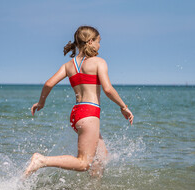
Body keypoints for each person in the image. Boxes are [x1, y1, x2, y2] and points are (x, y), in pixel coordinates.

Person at [23, 26, 133, 178]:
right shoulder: (98, 62)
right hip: (89, 114)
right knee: (83, 163)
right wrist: (123, 107)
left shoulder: (69, 66)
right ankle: (42, 160)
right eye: (98, 41)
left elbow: (48, 84)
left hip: (76, 114)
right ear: (90, 41)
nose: (99, 45)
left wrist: (41, 103)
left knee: (102, 156)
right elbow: (108, 89)